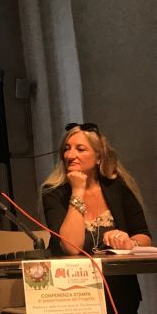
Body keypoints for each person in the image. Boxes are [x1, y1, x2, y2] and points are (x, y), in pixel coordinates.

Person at [42, 122, 151, 314]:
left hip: (119, 290)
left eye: (80, 149)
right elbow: (71, 247)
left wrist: (129, 243)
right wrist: (78, 190)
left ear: (99, 156)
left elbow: (143, 235)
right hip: (70, 293)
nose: (70, 155)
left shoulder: (118, 187)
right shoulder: (53, 192)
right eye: (66, 149)